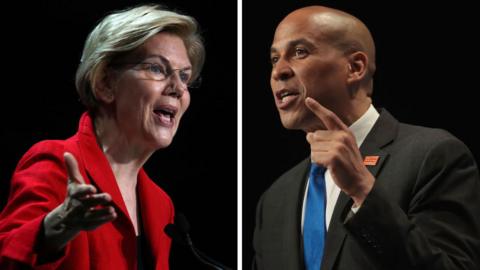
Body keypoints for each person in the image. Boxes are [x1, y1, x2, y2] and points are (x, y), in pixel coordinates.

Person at [253, 5, 480, 270]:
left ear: (355, 67)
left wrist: (363, 190)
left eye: (300, 52)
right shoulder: (274, 199)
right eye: (274, 59)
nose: (278, 71)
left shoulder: (433, 157)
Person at [0, 4, 204, 269]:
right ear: (105, 83)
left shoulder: (160, 203)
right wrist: (58, 226)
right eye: (156, 68)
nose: (178, 88)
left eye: (185, 76)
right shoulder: (55, 163)